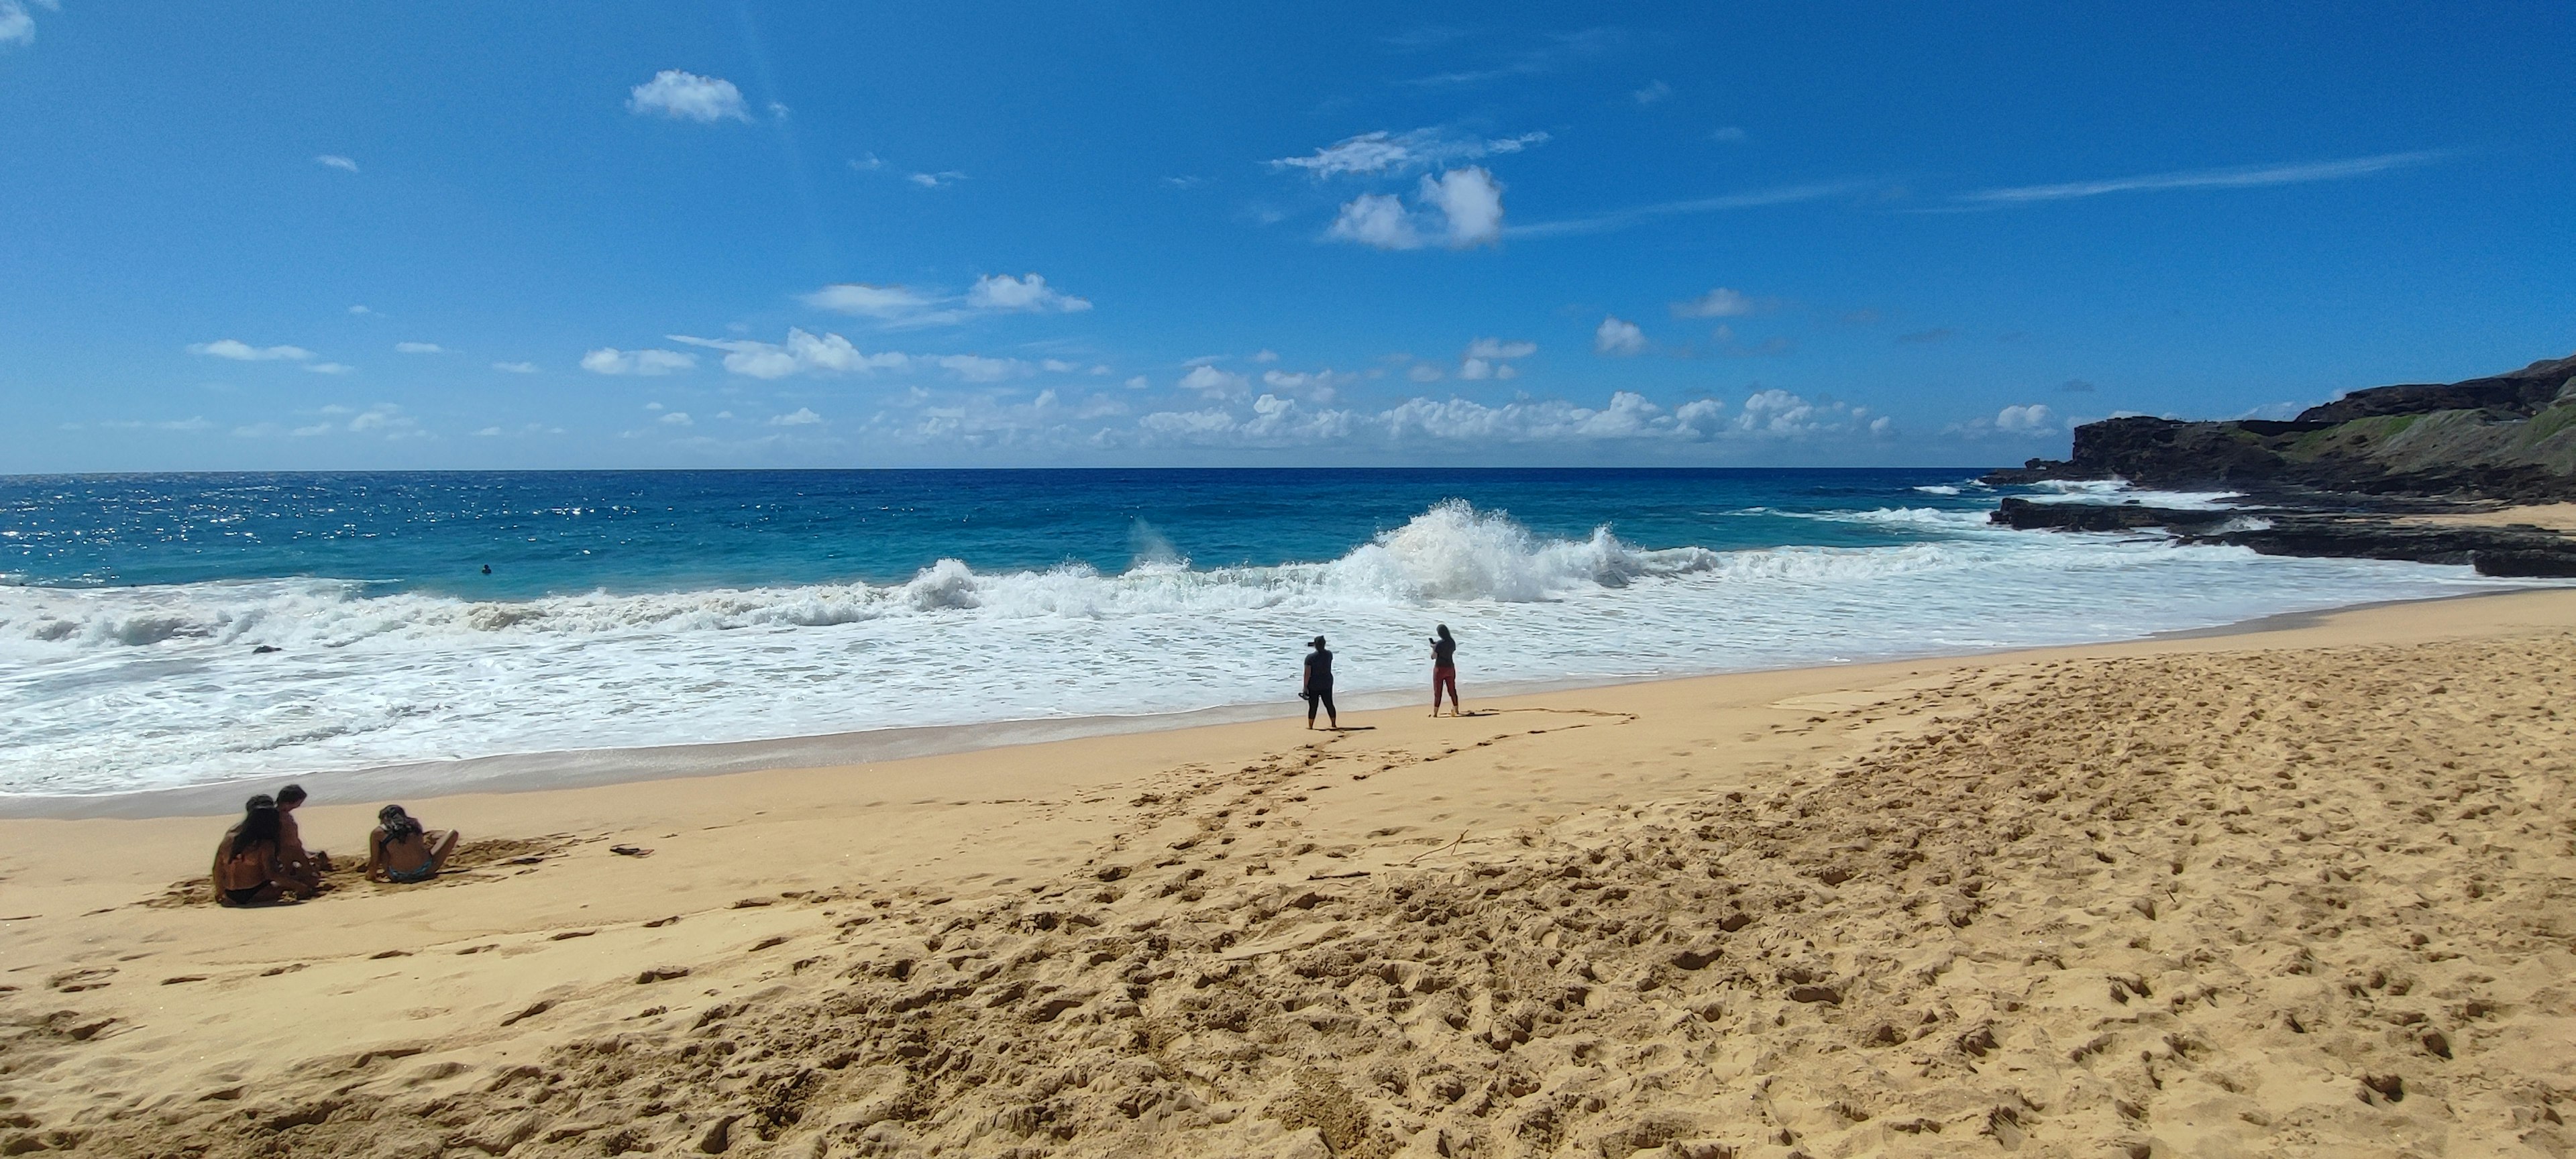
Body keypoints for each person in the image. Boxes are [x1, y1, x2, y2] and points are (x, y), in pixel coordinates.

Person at [210, 795, 294, 907]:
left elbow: (217, 869)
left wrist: (219, 891)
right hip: (255, 892)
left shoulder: (229, 838)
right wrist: (302, 888)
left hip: (229, 893)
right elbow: (272, 874)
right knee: (296, 876)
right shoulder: (265, 844)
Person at [367, 805, 461, 884]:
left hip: (397, 875)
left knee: (383, 846)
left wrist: (371, 876)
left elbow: (374, 862)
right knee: (453, 833)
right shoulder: (415, 824)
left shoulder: (378, 832)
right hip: (426, 869)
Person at [273, 783, 330, 893]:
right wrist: (306, 859)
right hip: (288, 854)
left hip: (290, 852)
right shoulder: (284, 819)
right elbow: (291, 844)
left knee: (319, 859)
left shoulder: (279, 815)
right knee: (313, 878)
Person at [1301, 635, 1338, 730]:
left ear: (1315, 645)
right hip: (1327, 682)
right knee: (1329, 703)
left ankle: (1311, 726)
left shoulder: (1310, 658)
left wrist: (1305, 687)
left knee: (1313, 705)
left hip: (1314, 684)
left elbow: (1307, 673)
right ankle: (1333, 723)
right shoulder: (1329, 654)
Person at [1430, 624, 1461, 716]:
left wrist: (1433, 648)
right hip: (1450, 668)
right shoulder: (1452, 642)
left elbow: (1433, 657)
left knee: (1438, 691)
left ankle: (1435, 713)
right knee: (1452, 690)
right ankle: (1456, 709)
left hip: (1440, 669)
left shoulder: (1439, 644)